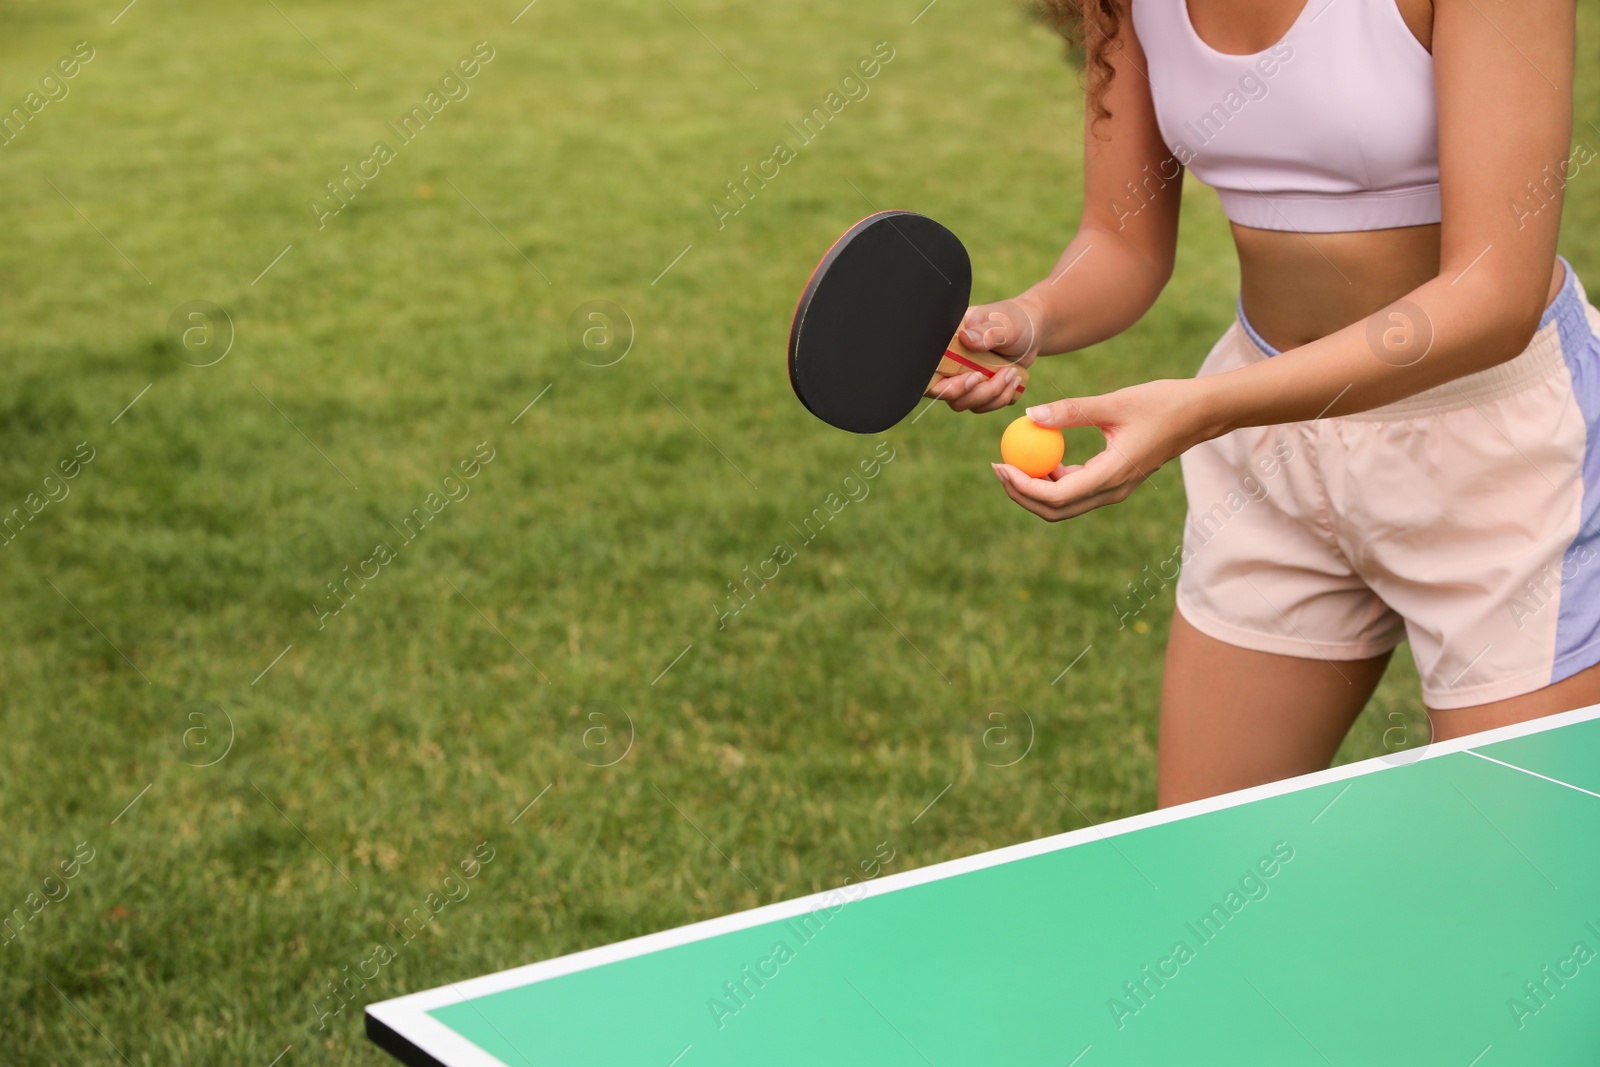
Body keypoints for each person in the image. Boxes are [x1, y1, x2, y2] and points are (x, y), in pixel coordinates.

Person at [931, 0, 1599, 805]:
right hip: (1266, 446)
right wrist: (1028, 317)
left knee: (1524, 893)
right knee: (1214, 862)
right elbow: (1120, 240)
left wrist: (1207, 407)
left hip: (1501, 457)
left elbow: (1496, 294)